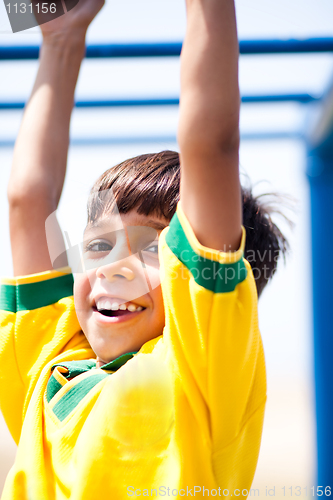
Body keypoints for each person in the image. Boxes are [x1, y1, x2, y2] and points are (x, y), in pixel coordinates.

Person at [0, 0, 288, 498]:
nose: (113, 267)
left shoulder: (199, 365)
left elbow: (211, 144)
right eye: (99, 244)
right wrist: (60, 42)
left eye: (153, 249)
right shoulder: (53, 365)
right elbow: (28, 201)